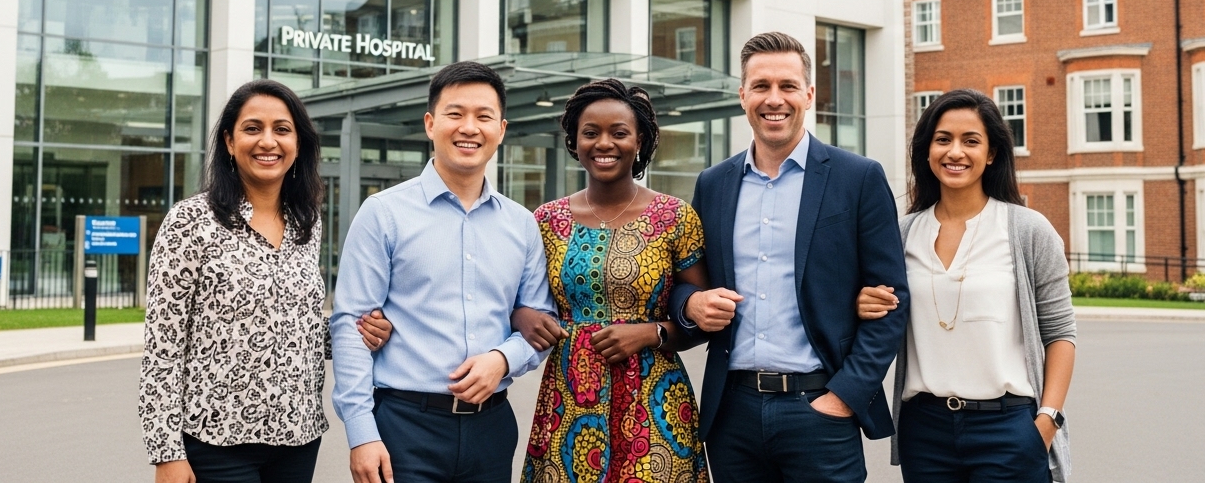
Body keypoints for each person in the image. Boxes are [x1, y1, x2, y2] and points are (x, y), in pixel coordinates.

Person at [670, 31, 909, 483]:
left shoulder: (858, 178)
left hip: (819, 409)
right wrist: (691, 305)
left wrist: (844, 397)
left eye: (787, 86)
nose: (773, 99)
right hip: (732, 412)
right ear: (743, 96)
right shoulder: (713, 184)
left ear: (809, 94)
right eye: (760, 86)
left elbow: (892, 300)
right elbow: (685, 281)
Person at [330, 61, 555, 483]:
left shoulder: (522, 224)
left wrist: (502, 360)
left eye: (483, 116)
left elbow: (541, 323)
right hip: (403, 428)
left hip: (492, 429)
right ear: (431, 124)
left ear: (501, 130)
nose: (469, 127)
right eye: (455, 114)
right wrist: (361, 433)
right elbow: (350, 325)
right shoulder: (384, 214)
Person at [855, 88, 1076, 482]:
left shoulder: (1028, 230)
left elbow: (1060, 333)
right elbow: (880, 310)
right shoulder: (901, 234)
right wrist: (863, 304)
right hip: (925, 430)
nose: (955, 152)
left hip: (1009, 428)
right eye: (943, 140)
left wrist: (1047, 421)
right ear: (926, 150)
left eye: (970, 141)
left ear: (991, 154)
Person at [508, 79, 711, 482]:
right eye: (591, 133)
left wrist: (649, 333)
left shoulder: (676, 217)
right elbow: (513, 298)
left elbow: (701, 318)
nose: (604, 143)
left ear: (640, 142)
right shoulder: (546, 220)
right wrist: (520, 317)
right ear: (575, 142)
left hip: (654, 404)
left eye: (619, 133)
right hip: (569, 400)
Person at [139, 79, 331, 483]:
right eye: (252, 128)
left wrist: (359, 330)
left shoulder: (306, 224)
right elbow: (163, 347)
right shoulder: (189, 222)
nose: (268, 141)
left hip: (298, 438)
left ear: (299, 144)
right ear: (229, 141)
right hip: (216, 443)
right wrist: (166, 453)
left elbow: (299, 323)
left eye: (282, 129)